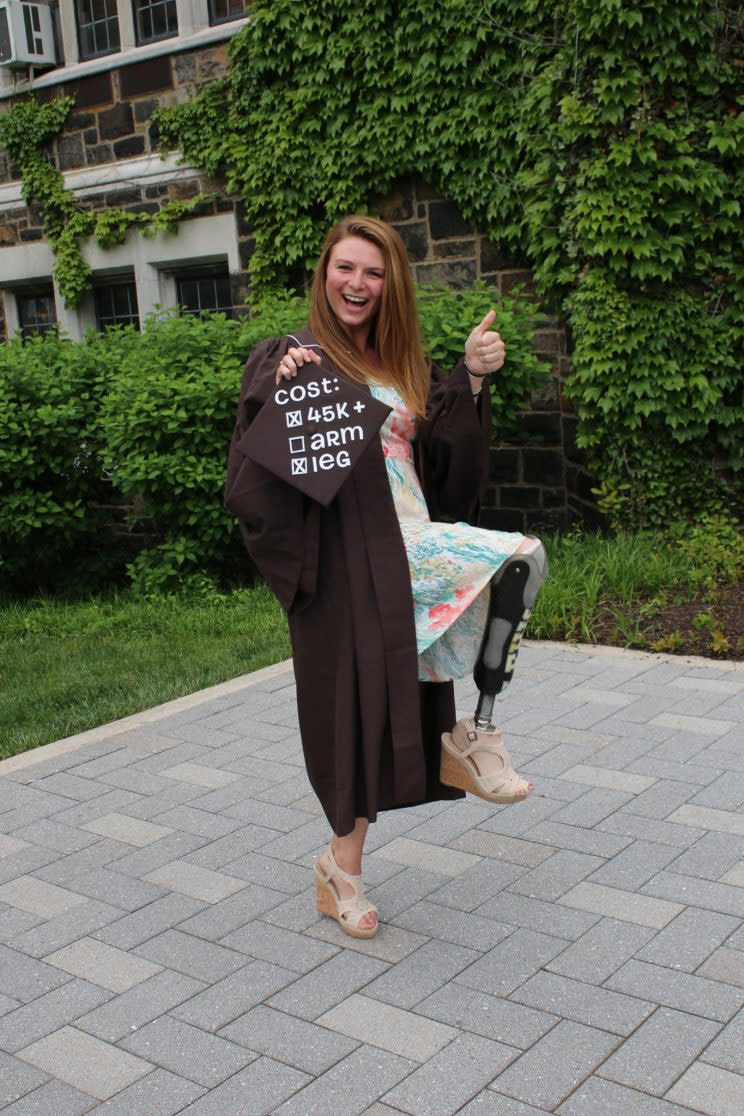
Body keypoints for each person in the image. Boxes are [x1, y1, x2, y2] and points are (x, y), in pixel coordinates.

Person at [225, 215, 547, 939]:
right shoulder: (295, 358)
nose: (358, 283)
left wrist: (470, 377)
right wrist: (277, 394)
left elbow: (450, 468)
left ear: (390, 284)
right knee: (356, 721)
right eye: (346, 268)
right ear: (325, 274)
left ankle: (474, 731)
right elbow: (258, 472)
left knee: (520, 558)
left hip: (409, 542)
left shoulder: (406, 367)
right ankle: (343, 872)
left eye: (373, 272)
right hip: (344, 562)